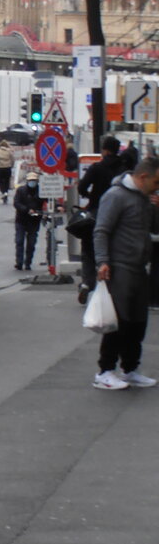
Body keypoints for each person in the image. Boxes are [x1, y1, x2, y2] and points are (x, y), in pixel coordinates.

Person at [90, 157, 159, 390]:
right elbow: (101, 230)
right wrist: (103, 262)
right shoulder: (115, 196)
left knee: (138, 322)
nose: (157, 186)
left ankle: (130, 369)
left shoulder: (144, 199)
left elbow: (150, 229)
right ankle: (105, 370)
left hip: (139, 267)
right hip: (119, 267)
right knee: (118, 321)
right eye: (156, 181)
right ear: (143, 177)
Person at [76, 135, 124, 303]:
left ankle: (87, 284)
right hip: (119, 216)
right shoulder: (124, 169)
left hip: (97, 212)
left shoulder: (97, 168)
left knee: (88, 249)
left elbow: (81, 186)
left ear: (104, 150)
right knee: (114, 250)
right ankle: (112, 286)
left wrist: (89, 197)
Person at [13, 171, 45, 271]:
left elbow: (49, 200)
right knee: (19, 241)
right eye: (30, 180)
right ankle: (19, 262)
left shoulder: (41, 191)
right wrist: (27, 210)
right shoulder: (21, 190)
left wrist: (57, 206)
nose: (32, 182)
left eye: (34, 181)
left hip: (34, 221)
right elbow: (16, 203)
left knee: (31, 243)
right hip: (21, 220)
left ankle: (28, 263)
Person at [0, 138, 15, 203]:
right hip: (8, 168)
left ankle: (3, 192)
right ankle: (6, 192)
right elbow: (12, 159)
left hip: (0, 168)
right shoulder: (9, 151)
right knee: (7, 181)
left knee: (0, 181)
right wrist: (11, 166)